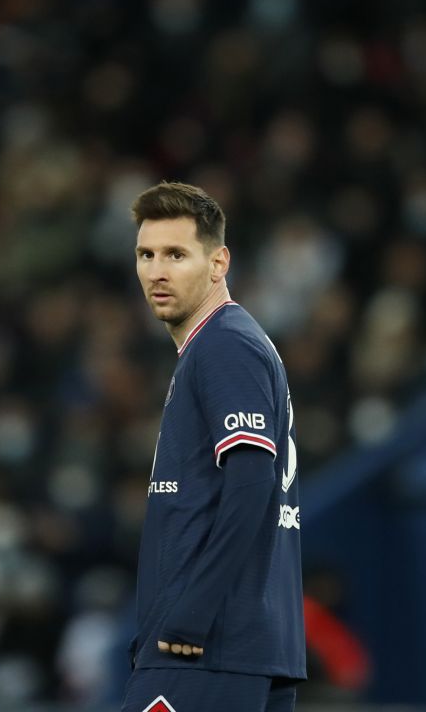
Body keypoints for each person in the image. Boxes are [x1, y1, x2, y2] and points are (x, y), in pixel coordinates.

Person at [123, 182, 306, 712]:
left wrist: (192, 609)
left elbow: (252, 484)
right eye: (146, 254)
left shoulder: (225, 344)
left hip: (205, 647)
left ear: (218, 261)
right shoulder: (227, 343)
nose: (157, 271)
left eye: (176, 254)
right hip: (240, 645)